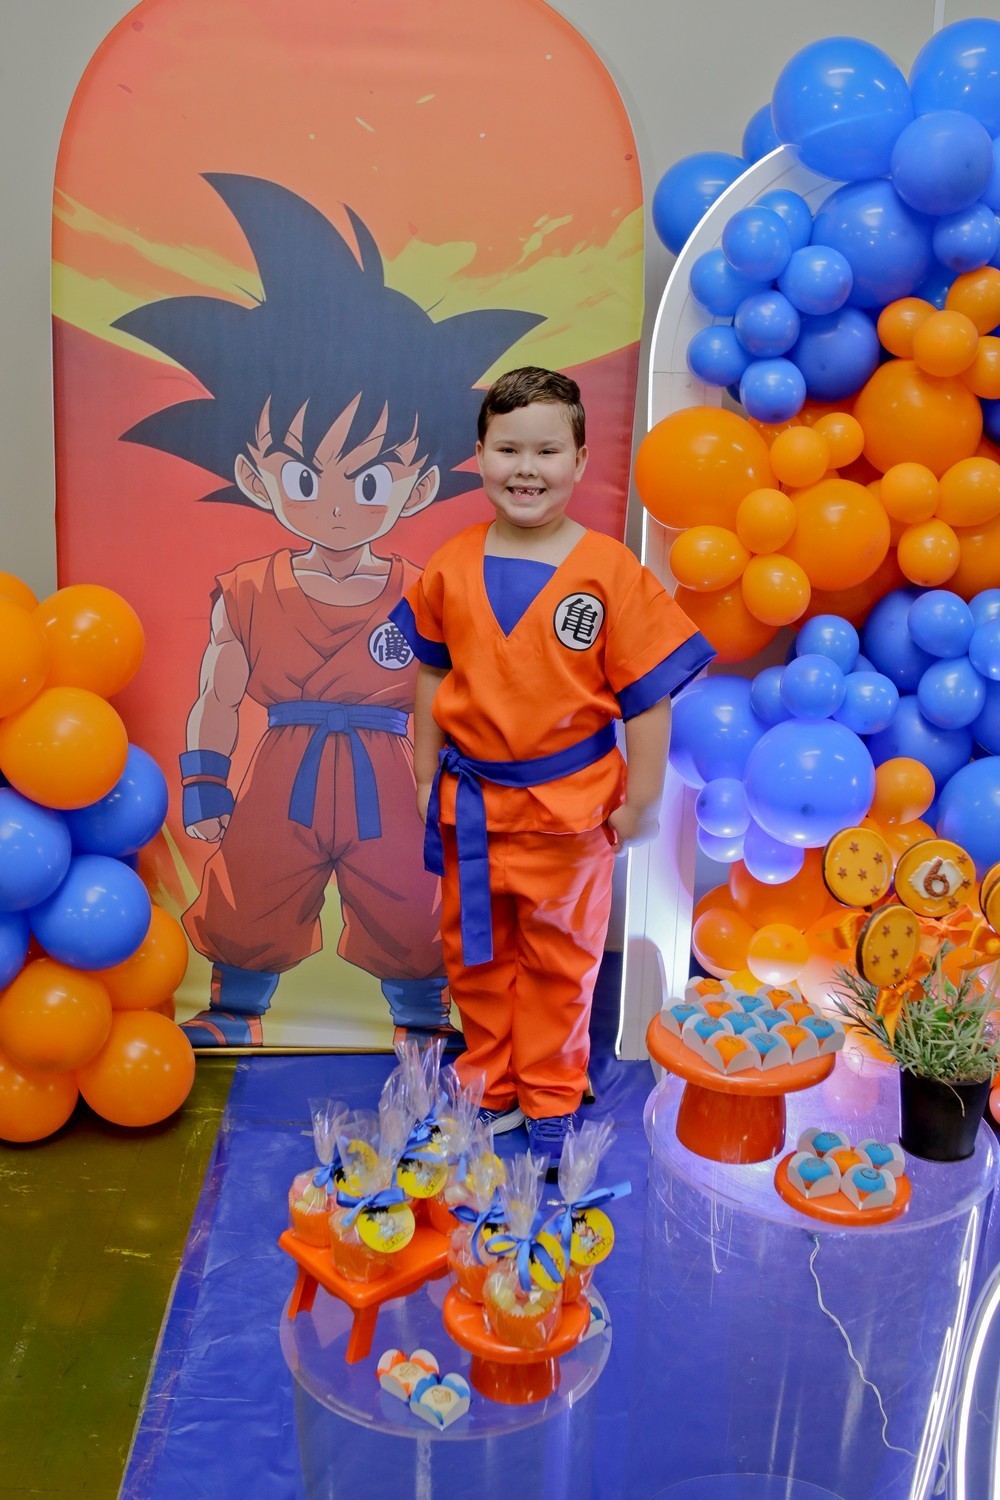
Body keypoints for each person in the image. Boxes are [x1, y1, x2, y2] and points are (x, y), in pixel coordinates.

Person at [113, 174, 540, 1048]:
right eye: (307, 477)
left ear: (418, 486)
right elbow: (219, 690)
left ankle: (423, 1019)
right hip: (283, 768)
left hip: (395, 772)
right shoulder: (249, 588)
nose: (339, 504)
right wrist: (205, 779)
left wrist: (473, 782)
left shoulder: (427, 587)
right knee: (254, 885)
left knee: (410, 897)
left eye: (371, 479)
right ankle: (235, 1008)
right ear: (254, 475)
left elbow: (461, 689)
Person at [390, 367, 714, 1162]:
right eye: (508, 449)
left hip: (570, 815)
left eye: (546, 450)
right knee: (474, 951)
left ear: (580, 460)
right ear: (478, 455)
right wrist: (425, 771)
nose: (525, 468)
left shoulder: (609, 572)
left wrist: (641, 799)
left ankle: (549, 1093)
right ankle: (489, 1083)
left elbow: (648, 699)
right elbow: (431, 674)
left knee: (560, 962)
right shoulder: (451, 564)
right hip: (471, 808)